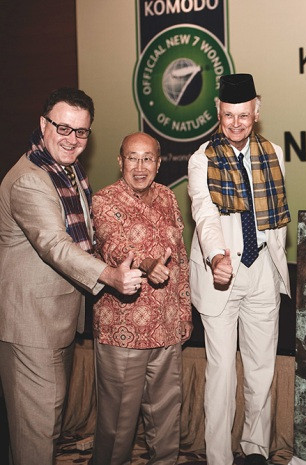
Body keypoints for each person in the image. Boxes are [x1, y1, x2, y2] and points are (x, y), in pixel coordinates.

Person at [0, 88, 143, 465]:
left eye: (81, 131)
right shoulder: (30, 179)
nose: (71, 139)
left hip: (55, 321)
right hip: (32, 325)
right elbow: (54, 244)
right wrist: (110, 275)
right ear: (43, 124)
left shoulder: (68, 171)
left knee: (40, 429)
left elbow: (88, 236)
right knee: (38, 434)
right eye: (63, 128)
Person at [188, 74, 290, 465]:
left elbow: (275, 216)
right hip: (221, 272)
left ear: (256, 113)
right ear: (218, 112)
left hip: (262, 268)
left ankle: (255, 450)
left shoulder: (274, 154)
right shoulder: (202, 159)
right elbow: (204, 213)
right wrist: (216, 256)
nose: (236, 123)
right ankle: (219, 458)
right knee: (222, 372)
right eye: (229, 115)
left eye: (243, 115)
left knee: (261, 368)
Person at [90, 132, 192, 464]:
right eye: (132, 158)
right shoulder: (104, 200)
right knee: (117, 426)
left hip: (166, 326)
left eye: (147, 159)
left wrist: (184, 313)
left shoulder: (167, 197)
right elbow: (112, 245)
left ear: (158, 164)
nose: (139, 166)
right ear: (120, 161)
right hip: (123, 329)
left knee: (166, 420)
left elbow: (180, 258)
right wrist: (147, 264)